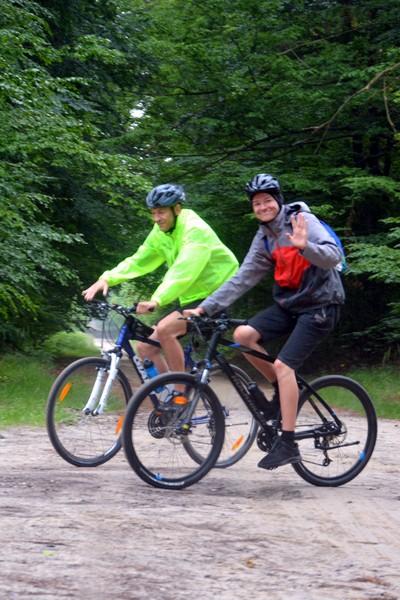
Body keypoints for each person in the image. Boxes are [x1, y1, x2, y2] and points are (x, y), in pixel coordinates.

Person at [184, 173, 345, 470]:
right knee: (243, 335)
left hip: (321, 304)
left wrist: (305, 246)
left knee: (285, 366)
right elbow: (243, 278)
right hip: (290, 305)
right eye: (257, 203)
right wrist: (205, 308)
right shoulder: (264, 237)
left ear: (278, 201)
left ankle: (288, 443)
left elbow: (333, 257)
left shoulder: (303, 221)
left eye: (267, 200)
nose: (262, 207)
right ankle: (282, 393)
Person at [83, 183, 238, 377]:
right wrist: (107, 278)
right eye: (153, 213)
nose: (156, 218)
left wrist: (156, 300)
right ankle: (167, 390)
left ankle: (181, 391)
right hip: (192, 297)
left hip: (219, 294)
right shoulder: (160, 232)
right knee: (146, 348)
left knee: (165, 329)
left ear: (177, 209)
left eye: (161, 212)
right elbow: (139, 260)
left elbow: (184, 270)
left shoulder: (195, 230)